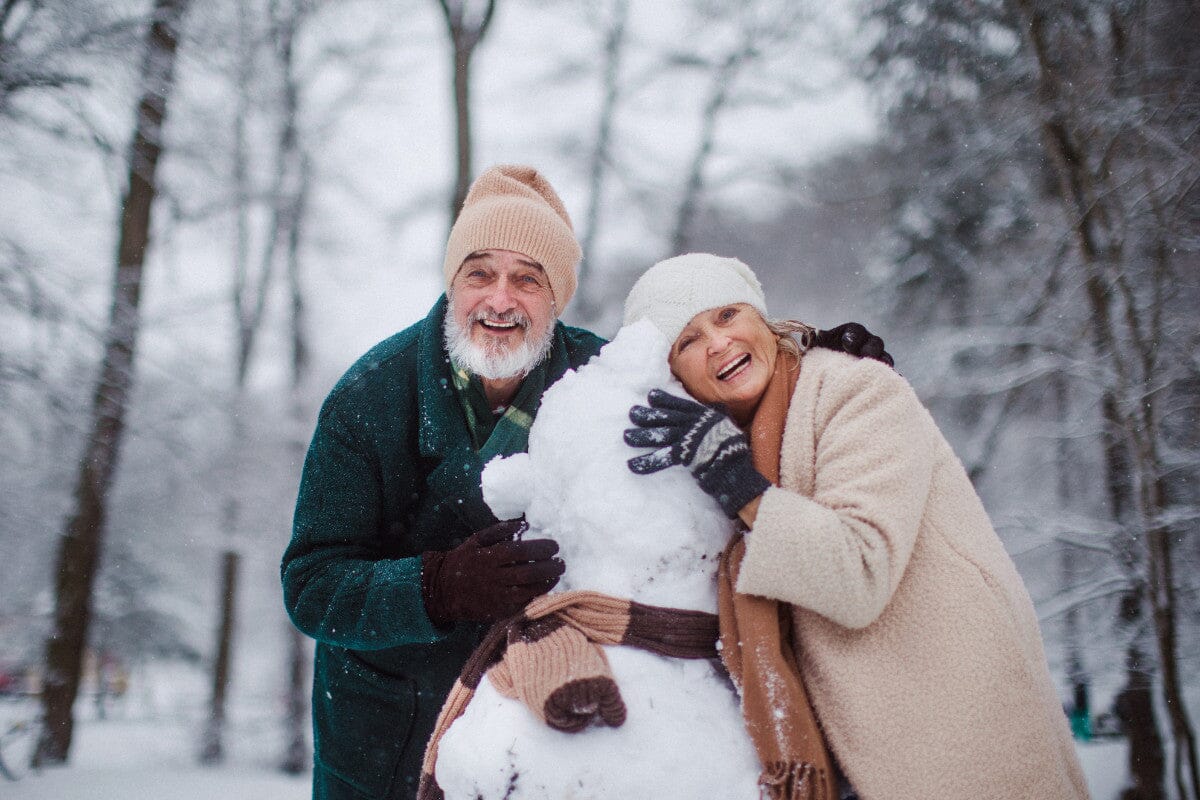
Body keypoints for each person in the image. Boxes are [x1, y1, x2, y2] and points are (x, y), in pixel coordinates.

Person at [282, 167, 891, 800]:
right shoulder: (370, 398)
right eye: (480, 273)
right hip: (391, 729)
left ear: (557, 297)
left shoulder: (601, 375)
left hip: (536, 724)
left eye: (527, 278)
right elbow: (311, 584)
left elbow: (718, 390)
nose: (499, 299)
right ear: (453, 281)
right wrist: (438, 587)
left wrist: (808, 363)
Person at [621, 253, 1091, 800]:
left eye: (727, 315)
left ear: (762, 319)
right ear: (673, 375)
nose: (718, 343)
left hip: (962, 739)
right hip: (872, 755)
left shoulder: (857, 393)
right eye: (688, 340)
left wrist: (740, 485)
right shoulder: (718, 444)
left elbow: (859, 573)